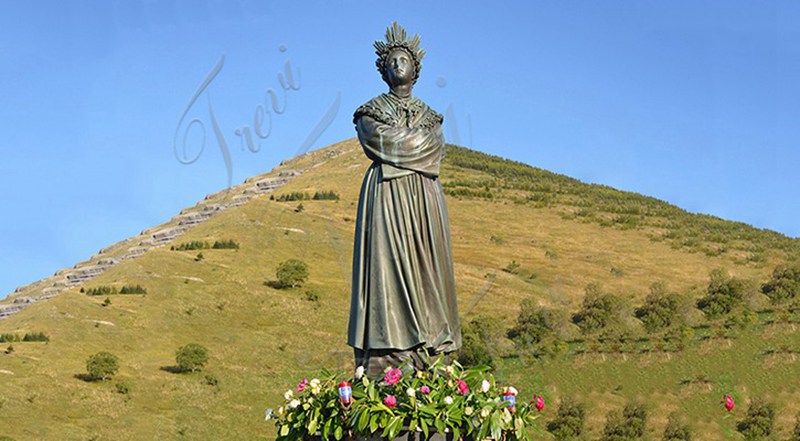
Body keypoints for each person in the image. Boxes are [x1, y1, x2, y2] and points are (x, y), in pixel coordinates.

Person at [347, 22, 462, 377]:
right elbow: (378, 141)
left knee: (428, 265)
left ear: (416, 68)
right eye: (391, 61)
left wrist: (403, 147)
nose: (398, 65)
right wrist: (412, 145)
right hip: (386, 198)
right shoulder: (370, 112)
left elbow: (434, 149)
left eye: (403, 59)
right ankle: (389, 352)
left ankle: (431, 344)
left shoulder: (432, 116)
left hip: (424, 200)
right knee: (386, 265)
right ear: (384, 71)